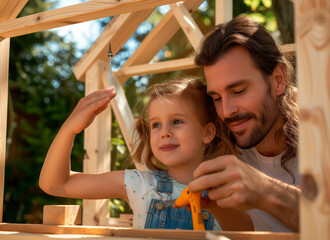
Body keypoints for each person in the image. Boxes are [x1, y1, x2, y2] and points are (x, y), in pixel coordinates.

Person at [39, 78, 253, 230]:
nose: (164, 133)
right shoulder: (138, 184)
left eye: (177, 121)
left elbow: (246, 232)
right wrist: (69, 129)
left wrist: (213, 199)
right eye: (156, 124)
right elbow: (54, 183)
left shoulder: (225, 189)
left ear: (207, 133)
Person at [186, 15, 302, 232]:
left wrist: (266, 191)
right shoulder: (220, 151)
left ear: (278, 80)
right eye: (217, 98)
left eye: (238, 91)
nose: (227, 111)